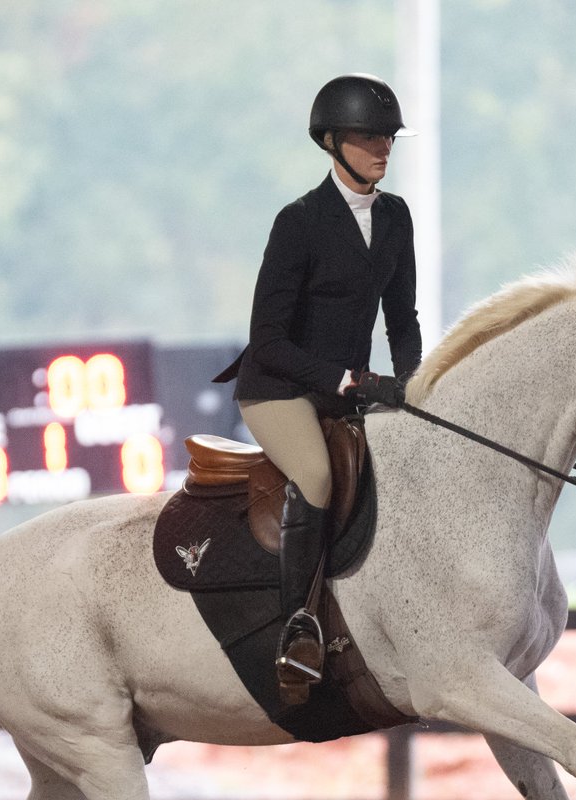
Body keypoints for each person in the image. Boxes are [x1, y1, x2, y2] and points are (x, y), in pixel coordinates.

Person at [218, 73, 422, 699]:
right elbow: (269, 338)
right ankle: (299, 626)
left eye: (388, 137)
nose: (382, 148)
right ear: (332, 143)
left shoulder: (394, 217)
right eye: (368, 138)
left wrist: (412, 385)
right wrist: (345, 378)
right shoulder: (299, 222)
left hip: (346, 390)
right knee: (317, 476)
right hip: (278, 387)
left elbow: (402, 318)